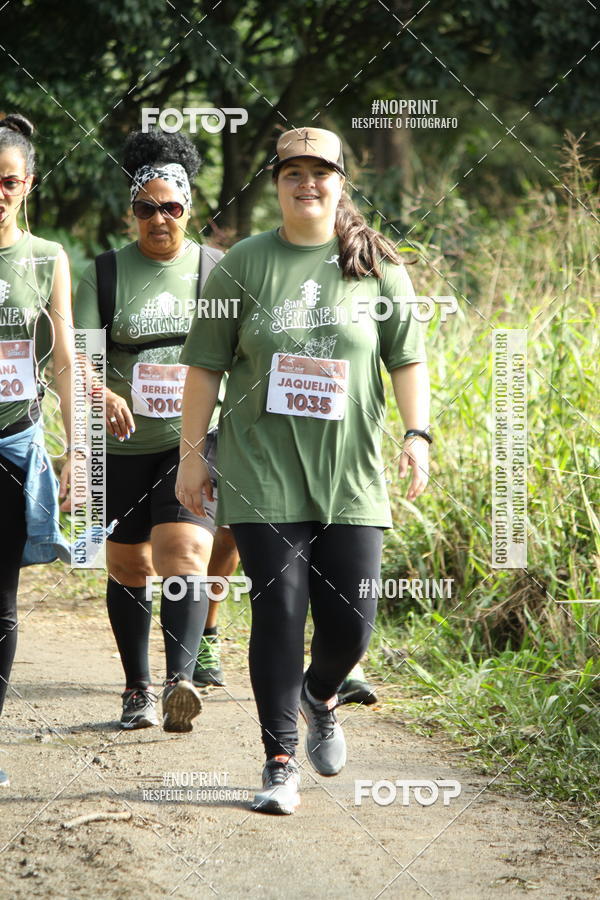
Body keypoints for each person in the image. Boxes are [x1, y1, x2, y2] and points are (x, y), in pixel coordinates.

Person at [176, 127, 431, 813]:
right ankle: (279, 760)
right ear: (276, 182)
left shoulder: (376, 264)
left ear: (341, 182)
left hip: (348, 471)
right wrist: (192, 455)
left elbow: (406, 359)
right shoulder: (242, 266)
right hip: (263, 468)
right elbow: (203, 367)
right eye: (294, 172)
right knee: (280, 610)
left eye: (321, 172)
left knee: (353, 624)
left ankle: (321, 694)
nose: (307, 183)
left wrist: (417, 433)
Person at [73, 128, 238, 734]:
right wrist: (101, 390)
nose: (160, 219)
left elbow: (246, 352)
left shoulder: (218, 272)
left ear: (189, 210)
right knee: (126, 568)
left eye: (171, 208)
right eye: (147, 209)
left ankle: (179, 682)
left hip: (193, 443)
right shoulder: (106, 274)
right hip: (118, 449)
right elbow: (81, 355)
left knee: (185, 554)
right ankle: (136, 688)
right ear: (131, 214)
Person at [0, 113, 73, 788]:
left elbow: (64, 360)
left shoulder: (47, 256)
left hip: (14, 448)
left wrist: (79, 450)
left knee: (2, 602)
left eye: (8, 181)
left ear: (27, 184)